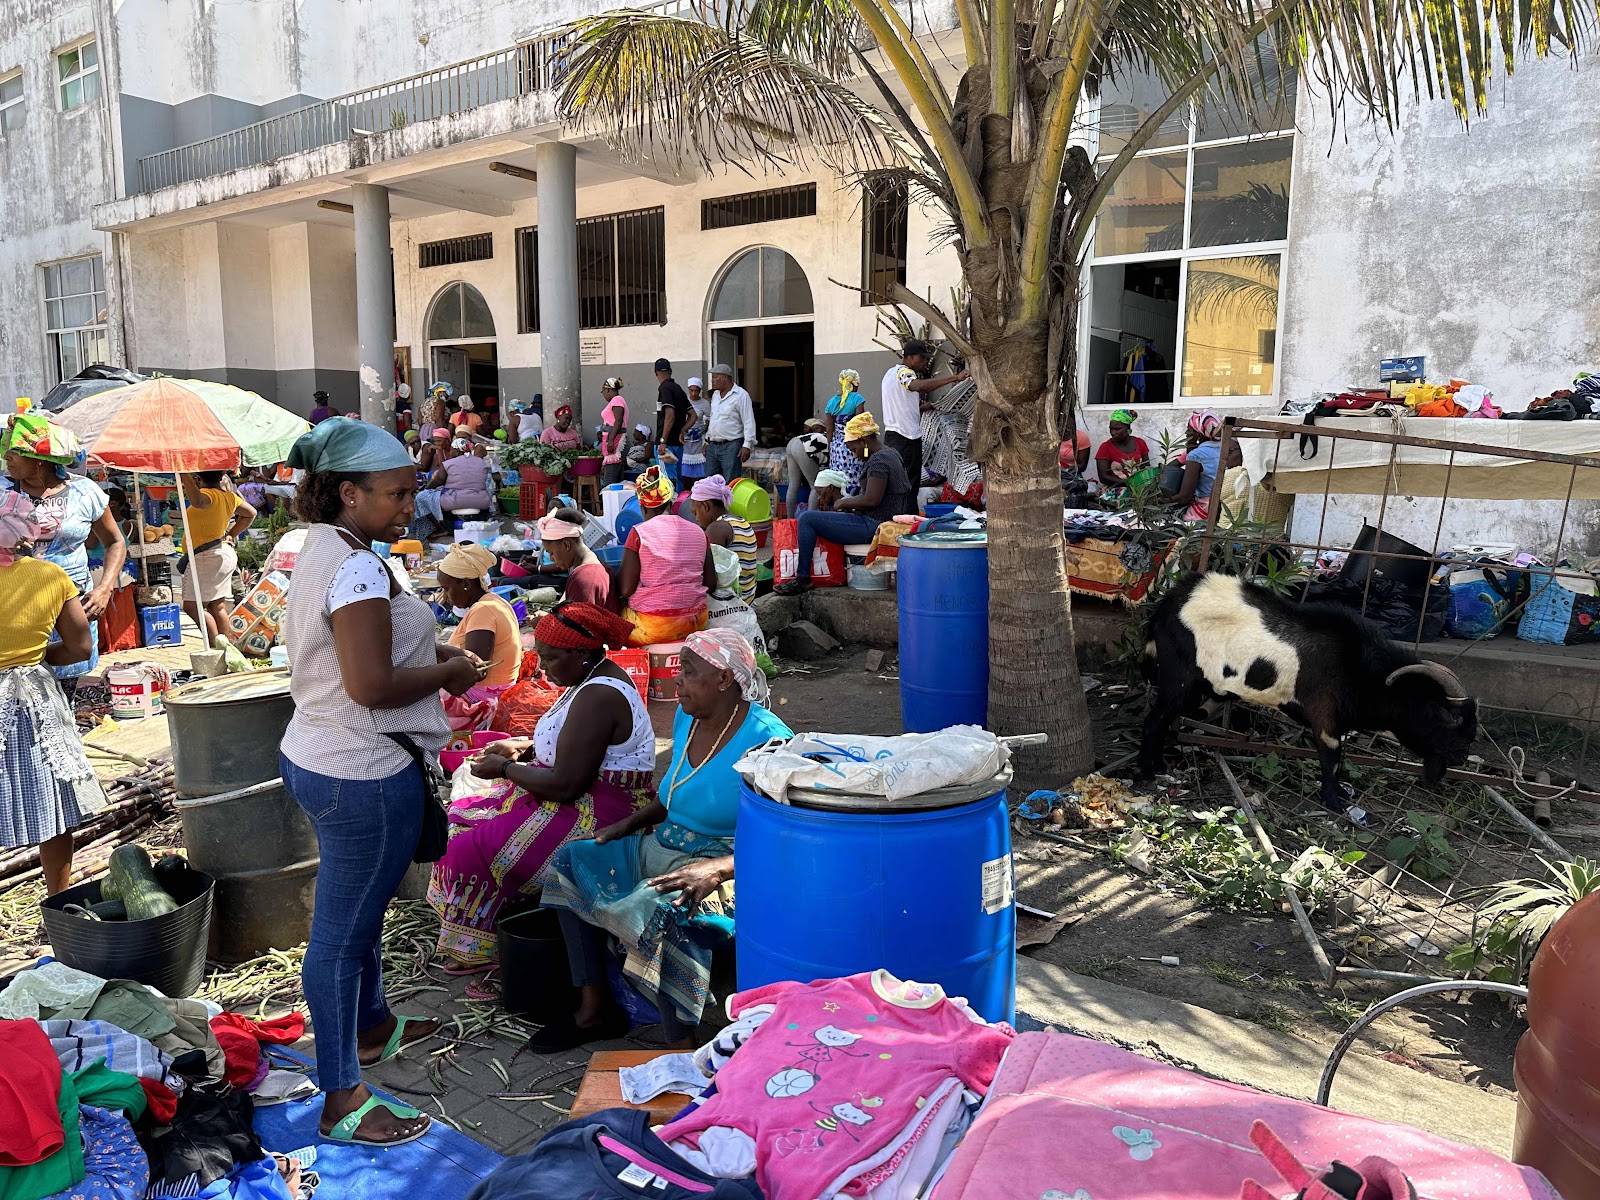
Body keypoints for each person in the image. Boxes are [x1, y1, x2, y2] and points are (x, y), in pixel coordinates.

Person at [279, 418, 485, 1148]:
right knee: (339, 940)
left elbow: (358, 658)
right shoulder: (357, 565)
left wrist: (429, 647)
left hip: (321, 753)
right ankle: (342, 1099)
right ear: (347, 492)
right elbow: (370, 684)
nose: (409, 504)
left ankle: (371, 1027)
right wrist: (453, 670)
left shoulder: (330, 547)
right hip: (358, 768)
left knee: (360, 915)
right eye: (396, 493)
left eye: (410, 489)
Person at [535, 628, 792, 1051]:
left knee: (663, 909)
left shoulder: (768, 740)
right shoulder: (688, 715)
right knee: (571, 861)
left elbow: (779, 837)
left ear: (725, 679)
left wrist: (715, 868)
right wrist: (630, 823)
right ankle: (592, 1009)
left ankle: (680, 1044)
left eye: (688, 673)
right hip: (665, 843)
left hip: (724, 862)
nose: (677, 682)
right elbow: (677, 789)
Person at [429, 603, 656, 979]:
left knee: (467, 850)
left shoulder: (598, 694)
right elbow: (578, 745)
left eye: (550, 658)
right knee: (463, 816)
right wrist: (523, 747)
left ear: (581, 653)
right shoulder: (587, 680)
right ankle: (501, 924)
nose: (543, 666)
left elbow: (566, 785)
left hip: (598, 809)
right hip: (579, 794)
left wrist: (505, 768)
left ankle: (484, 948)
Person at [0, 491, 109, 897]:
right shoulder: (50, 577)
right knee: (53, 802)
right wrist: (37, 655)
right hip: (34, 696)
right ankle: (58, 899)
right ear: (29, 534)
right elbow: (81, 648)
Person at [1, 412, 126, 694]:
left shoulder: (86, 492)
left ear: (40, 458)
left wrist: (105, 589)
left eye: (14, 452)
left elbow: (115, 542)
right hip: (17, 609)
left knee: (66, 688)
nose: (6, 458)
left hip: (73, 607)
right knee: (16, 690)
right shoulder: (3, 491)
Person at [774, 413, 913, 596]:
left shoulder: (879, 461)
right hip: (880, 520)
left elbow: (872, 499)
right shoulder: (891, 453)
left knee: (808, 518)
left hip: (874, 525)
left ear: (864, 441)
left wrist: (842, 502)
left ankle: (803, 578)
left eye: (853, 449)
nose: (854, 455)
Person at [617, 466, 715, 647]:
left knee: (615, 619)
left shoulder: (639, 533)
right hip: (696, 621)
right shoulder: (699, 532)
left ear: (642, 507)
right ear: (670, 502)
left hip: (654, 625)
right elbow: (711, 583)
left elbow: (625, 589)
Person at [436, 542, 523, 731]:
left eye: (446, 589)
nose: (444, 597)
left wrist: (437, 656)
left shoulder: (484, 610)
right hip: (496, 691)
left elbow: (474, 670)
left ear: (466, 584)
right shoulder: (494, 601)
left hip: (481, 699)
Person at [178, 471, 256, 643]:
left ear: (199, 479)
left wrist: (183, 474)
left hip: (207, 557)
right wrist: (232, 534)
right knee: (216, 605)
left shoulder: (207, 495)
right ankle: (228, 648)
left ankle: (217, 647)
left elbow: (197, 501)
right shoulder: (229, 497)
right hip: (220, 552)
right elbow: (250, 513)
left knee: (193, 606)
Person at [880, 340, 969, 488]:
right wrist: (955, 378)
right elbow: (917, 386)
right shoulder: (904, 372)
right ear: (910, 357)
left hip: (892, 437)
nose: (925, 362)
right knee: (910, 485)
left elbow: (900, 406)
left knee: (899, 484)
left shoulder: (890, 375)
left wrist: (922, 408)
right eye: (922, 358)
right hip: (906, 438)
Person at [690, 476, 757, 604]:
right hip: (748, 599)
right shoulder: (740, 521)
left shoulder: (716, 529)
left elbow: (711, 580)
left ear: (705, 506)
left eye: (695, 513)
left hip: (732, 605)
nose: (696, 518)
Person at [538, 509, 612, 608]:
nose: (551, 559)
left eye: (551, 553)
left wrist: (546, 621)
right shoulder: (595, 564)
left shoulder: (584, 579)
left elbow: (578, 621)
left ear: (566, 545)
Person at [1168, 409, 1224, 520]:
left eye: (1189, 430)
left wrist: (1161, 501)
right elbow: (1171, 467)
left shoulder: (1196, 455)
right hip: (1223, 506)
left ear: (1198, 435)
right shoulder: (1227, 448)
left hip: (1205, 509)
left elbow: (1184, 498)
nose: (1186, 433)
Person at [703, 365, 755, 482]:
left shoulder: (741, 395)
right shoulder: (716, 395)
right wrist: (707, 440)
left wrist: (747, 445)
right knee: (709, 482)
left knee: (730, 482)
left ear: (725, 377)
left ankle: (729, 501)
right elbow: (713, 419)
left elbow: (748, 422)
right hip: (713, 445)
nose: (712, 380)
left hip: (731, 446)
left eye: (715, 377)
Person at [823, 369, 868, 496]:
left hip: (837, 449)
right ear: (856, 384)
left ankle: (840, 503)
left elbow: (829, 430)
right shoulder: (857, 399)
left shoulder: (831, 402)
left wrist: (830, 448)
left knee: (839, 480)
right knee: (855, 479)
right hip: (853, 447)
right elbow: (859, 424)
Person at [425, 440, 493, 515]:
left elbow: (438, 481)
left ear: (457, 451)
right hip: (481, 501)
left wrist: (427, 488)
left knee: (421, 497)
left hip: (453, 501)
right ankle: (490, 514)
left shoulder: (448, 463)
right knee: (488, 490)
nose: (450, 452)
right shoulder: (482, 463)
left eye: (451, 450)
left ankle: (429, 524)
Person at [1094, 408, 1151, 488]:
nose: (1113, 432)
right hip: (1115, 488)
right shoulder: (1105, 447)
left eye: (1117, 429)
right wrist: (1129, 484)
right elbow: (1103, 477)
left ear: (1127, 428)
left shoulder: (1140, 443)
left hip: (1140, 489)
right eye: (1111, 429)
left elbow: (1146, 466)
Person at [653, 358, 690, 483]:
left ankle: (671, 502)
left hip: (666, 443)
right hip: (677, 443)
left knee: (666, 479)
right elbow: (693, 414)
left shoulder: (665, 389)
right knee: (677, 478)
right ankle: (678, 502)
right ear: (671, 371)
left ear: (656, 373)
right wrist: (683, 430)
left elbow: (670, 415)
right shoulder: (678, 389)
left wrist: (663, 440)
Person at [784, 417, 829, 511]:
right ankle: (809, 520)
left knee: (793, 486)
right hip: (805, 446)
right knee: (815, 486)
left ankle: (790, 520)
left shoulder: (809, 436)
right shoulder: (828, 438)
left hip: (793, 442)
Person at [598, 378, 630, 486]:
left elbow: (618, 420)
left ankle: (609, 502)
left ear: (607, 390)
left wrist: (610, 440)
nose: (604, 395)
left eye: (603, 392)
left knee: (610, 479)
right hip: (612, 437)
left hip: (615, 439)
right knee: (615, 478)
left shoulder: (617, 400)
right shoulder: (616, 400)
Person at [678, 378, 708, 483]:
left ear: (700, 391)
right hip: (684, 438)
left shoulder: (705, 403)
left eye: (697, 391)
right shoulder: (683, 400)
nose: (694, 393)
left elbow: (709, 420)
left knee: (699, 474)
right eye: (691, 390)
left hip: (698, 439)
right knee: (684, 472)